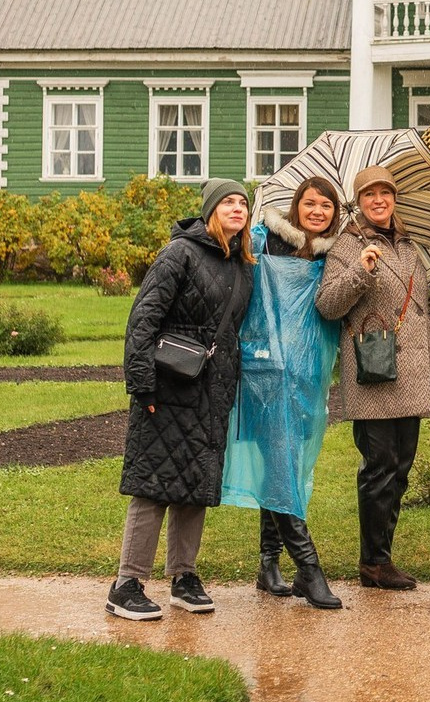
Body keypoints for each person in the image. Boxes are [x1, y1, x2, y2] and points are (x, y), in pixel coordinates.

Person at [106, 179, 255, 621]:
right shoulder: (180, 253)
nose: (237, 208)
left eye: (243, 202)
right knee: (153, 485)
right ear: (211, 209)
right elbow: (143, 318)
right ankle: (126, 584)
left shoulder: (243, 264)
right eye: (228, 201)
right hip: (169, 387)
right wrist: (142, 383)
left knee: (196, 483)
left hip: (213, 390)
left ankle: (184, 578)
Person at [315, 164, 430, 591]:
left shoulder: (408, 246)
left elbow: (426, 300)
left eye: (385, 193)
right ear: (359, 202)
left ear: (393, 198)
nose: (378, 201)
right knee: (379, 467)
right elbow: (328, 305)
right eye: (369, 195)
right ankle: (372, 562)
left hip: (410, 373)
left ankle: (382, 557)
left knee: (401, 469)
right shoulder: (347, 246)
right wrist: (360, 270)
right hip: (373, 375)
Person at [221, 176, 344, 609]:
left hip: (308, 376)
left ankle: (268, 562)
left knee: (284, 463)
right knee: (281, 465)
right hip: (265, 372)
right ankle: (309, 570)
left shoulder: (336, 255)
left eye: (326, 206)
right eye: (310, 203)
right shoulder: (264, 241)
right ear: (296, 206)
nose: (317, 212)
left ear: (335, 212)